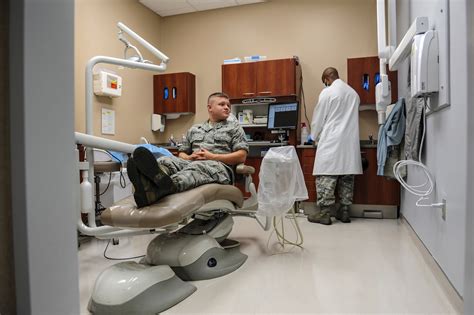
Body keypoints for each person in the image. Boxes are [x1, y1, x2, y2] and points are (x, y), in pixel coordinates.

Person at [127, 92, 249, 208]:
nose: (227, 107)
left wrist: (212, 156)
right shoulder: (195, 129)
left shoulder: (235, 128)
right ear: (210, 107)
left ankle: (165, 187)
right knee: (166, 161)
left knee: (197, 168)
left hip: (218, 167)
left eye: (228, 105)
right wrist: (189, 157)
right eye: (222, 104)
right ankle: (148, 184)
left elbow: (241, 155)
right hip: (191, 162)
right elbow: (182, 153)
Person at [307, 67, 362, 225]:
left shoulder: (327, 92)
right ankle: (344, 211)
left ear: (326, 79)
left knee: (326, 176)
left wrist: (313, 136)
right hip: (349, 143)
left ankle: (324, 213)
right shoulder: (354, 94)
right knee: (347, 176)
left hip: (331, 141)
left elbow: (318, 118)